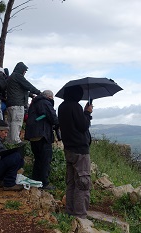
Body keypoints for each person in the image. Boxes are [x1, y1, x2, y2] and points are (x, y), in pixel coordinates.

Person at [58, 85, 93, 219]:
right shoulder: (75, 106)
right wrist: (87, 112)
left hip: (69, 148)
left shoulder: (62, 107)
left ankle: (70, 211)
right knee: (83, 182)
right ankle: (80, 215)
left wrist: (84, 112)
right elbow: (83, 126)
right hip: (80, 150)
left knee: (72, 182)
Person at [24, 90, 59, 190]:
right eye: (52, 98)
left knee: (38, 159)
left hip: (33, 135)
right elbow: (54, 118)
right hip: (42, 134)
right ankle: (44, 183)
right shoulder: (45, 102)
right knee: (45, 159)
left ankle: (36, 180)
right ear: (49, 97)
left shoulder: (35, 103)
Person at [6, 62, 41, 144]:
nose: (25, 73)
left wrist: (31, 95)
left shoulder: (12, 77)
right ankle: (15, 140)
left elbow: (18, 90)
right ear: (22, 70)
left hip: (11, 104)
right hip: (17, 104)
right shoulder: (18, 76)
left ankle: (9, 141)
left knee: (10, 123)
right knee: (16, 122)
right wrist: (39, 93)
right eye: (25, 71)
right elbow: (28, 85)